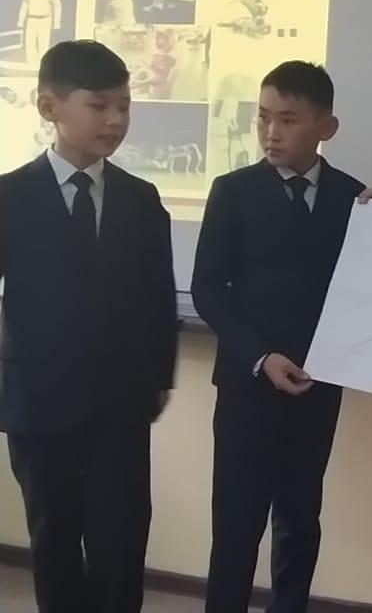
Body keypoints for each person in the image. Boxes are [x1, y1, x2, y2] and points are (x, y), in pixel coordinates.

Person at [192, 60, 372, 613]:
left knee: (300, 521)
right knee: (236, 525)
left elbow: (371, 291)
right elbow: (206, 289)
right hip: (248, 385)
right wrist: (261, 356)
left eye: (288, 119)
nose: (271, 132)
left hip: (316, 386)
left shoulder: (354, 199)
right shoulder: (233, 191)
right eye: (263, 117)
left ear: (327, 127)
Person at [0, 40, 178, 613]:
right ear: (48, 106)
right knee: (53, 537)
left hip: (120, 404)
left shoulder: (140, 199)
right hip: (38, 400)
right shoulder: (9, 197)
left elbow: (158, 297)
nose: (115, 120)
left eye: (124, 106)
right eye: (99, 105)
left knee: (120, 541)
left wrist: (159, 378)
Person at [17, 0, 62, 67]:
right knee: (30, 43)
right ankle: (31, 64)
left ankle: (42, 65)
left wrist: (57, 22)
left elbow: (57, 6)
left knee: (43, 44)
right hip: (32, 19)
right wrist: (20, 20)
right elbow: (24, 7)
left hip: (45, 20)